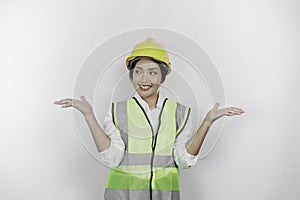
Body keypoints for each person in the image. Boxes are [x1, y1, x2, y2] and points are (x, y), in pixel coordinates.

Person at [54, 38, 245, 200]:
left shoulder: (181, 113)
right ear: (131, 75)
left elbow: (183, 160)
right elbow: (112, 158)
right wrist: (89, 116)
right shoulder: (116, 111)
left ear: (162, 76)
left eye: (152, 72)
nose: (144, 79)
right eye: (138, 71)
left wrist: (207, 123)